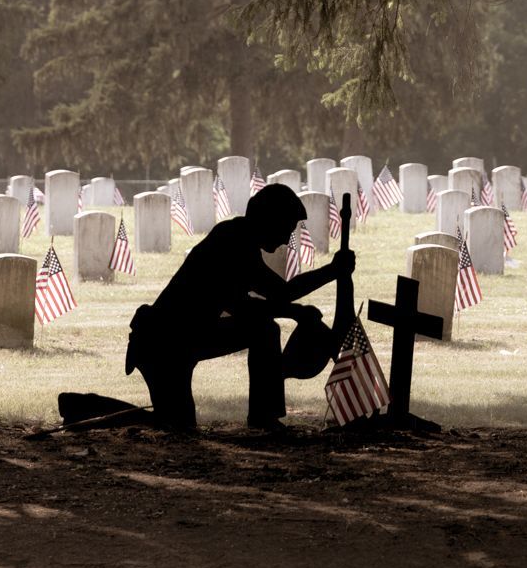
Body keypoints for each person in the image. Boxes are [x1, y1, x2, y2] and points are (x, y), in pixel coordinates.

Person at [125, 183, 355, 430]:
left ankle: (264, 416)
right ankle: (262, 417)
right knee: (175, 426)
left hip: (185, 338)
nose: (286, 241)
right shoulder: (233, 240)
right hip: (164, 344)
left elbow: (259, 299)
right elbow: (263, 299)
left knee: (264, 330)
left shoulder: (239, 238)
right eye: (285, 229)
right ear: (269, 220)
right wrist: (329, 274)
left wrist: (298, 307)